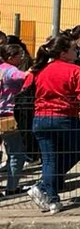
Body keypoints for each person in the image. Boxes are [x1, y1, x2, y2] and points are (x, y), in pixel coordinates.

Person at [26, 35, 80, 214]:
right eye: (72, 49)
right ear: (63, 53)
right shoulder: (75, 70)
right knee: (76, 151)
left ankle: (52, 198)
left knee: (49, 158)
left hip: (40, 117)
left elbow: (26, 86)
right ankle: (44, 186)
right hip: (65, 116)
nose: (76, 52)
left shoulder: (39, 69)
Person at [0, 43, 30, 196]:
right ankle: (12, 187)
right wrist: (32, 72)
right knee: (16, 151)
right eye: (20, 55)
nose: (22, 58)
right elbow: (23, 77)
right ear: (11, 57)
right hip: (5, 116)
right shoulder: (11, 70)